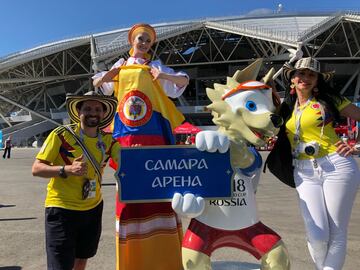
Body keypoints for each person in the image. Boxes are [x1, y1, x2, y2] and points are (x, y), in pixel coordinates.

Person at [92, 23, 189, 270]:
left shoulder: (155, 66)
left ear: (151, 45)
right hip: (125, 139)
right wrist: (108, 76)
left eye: (148, 40)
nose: (143, 43)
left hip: (153, 138)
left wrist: (162, 76)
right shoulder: (121, 65)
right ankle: (132, 261)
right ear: (131, 41)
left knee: (159, 193)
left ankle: (165, 260)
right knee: (129, 194)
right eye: (140, 39)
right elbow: (98, 84)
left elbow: (182, 81)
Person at [278, 57, 360, 270]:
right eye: (300, 74)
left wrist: (356, 146)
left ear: (317, 80)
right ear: (292, 79)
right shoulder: (286, 107)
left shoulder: (329, 99)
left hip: (337, 165)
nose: (305, 78)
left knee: (336, 231)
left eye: (311, 74)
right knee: (317, 233)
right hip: (304, 172)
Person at [32, 91, 120, 270]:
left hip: (93, 208)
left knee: (82, 259)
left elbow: (129, 163)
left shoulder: (109, 141)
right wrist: (67, 169)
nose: (92, 112)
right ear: (78, 111)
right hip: (62, 209)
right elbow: (37, 168)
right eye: (87, 108)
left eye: (97, 109)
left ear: (103, 114)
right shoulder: (62, 135)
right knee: (60, 266)